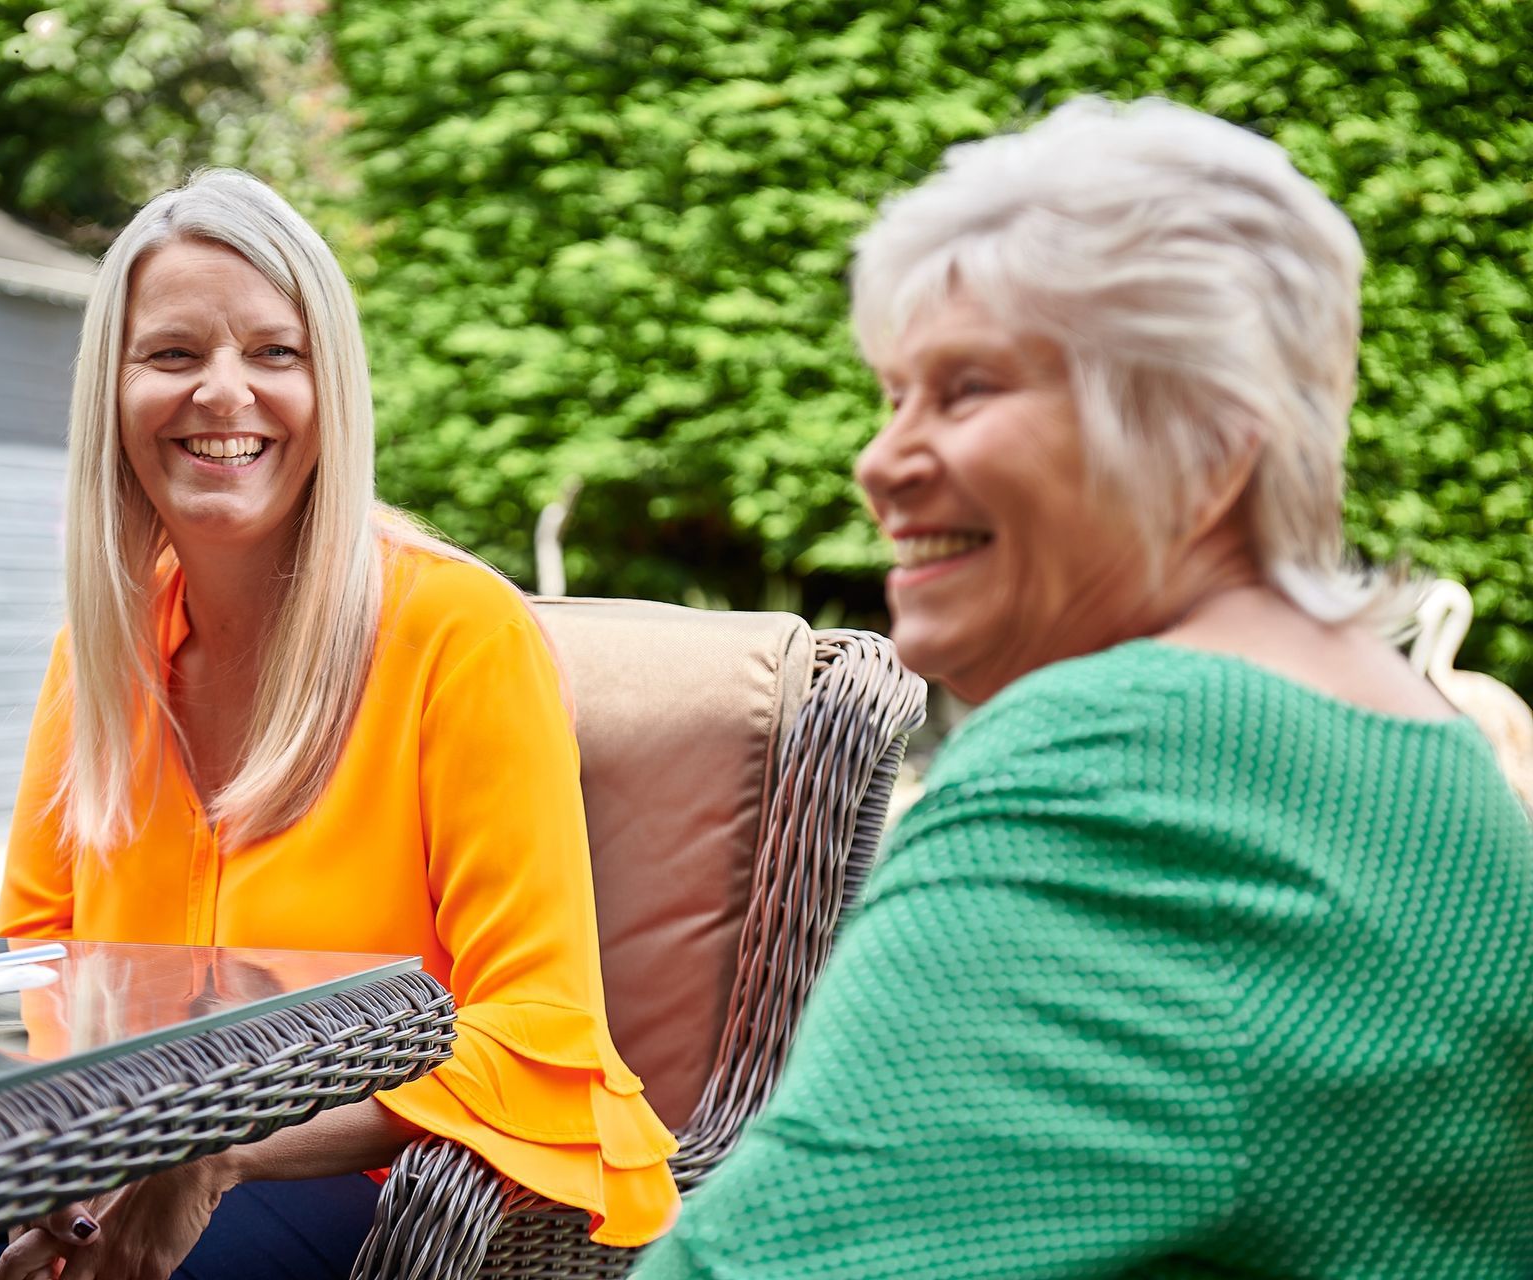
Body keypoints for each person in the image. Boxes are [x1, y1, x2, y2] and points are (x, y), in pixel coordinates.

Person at [636, 98, 1533, 1278]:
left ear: (1205, 448)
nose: (878, 461)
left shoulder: (1120, 764)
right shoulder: (1425, 739)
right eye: (893, 393)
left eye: (965, 392)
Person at [0, 169, 678, 1280]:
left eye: (276, 353)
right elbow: (38, 968)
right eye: (173, 354)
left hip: (370, 1175)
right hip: (110, 1156)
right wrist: (75, 1166)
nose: (223, 393)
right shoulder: (100, 647)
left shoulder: (457, 630)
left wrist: (216, 1151)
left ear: (333, 389)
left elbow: (537, 1025)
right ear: (112, 392)